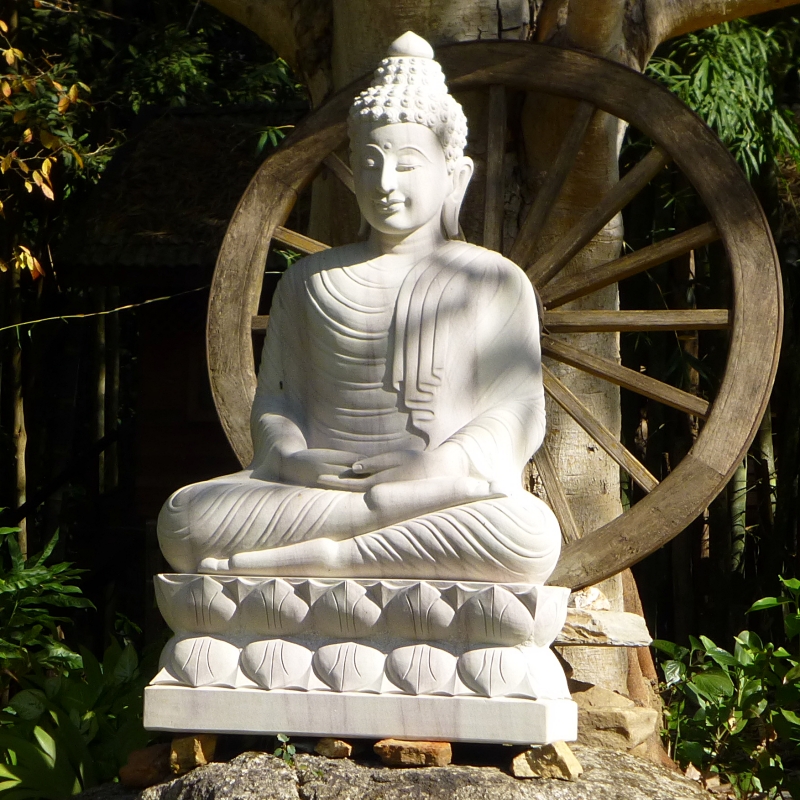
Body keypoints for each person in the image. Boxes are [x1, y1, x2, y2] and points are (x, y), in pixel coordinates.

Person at [157, 31, 561, 584]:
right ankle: (351, 542)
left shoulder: (491, 279)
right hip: (318, 497)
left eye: (407, 164)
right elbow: (275, 403)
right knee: (183, 519)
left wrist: (440, 464)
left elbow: (519, 411)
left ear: (455, 176)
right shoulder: (308, 281)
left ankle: (326, 560)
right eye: (369, 163)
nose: (385, 183)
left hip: (439, 494)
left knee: (527, 534)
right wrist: (294, 456)